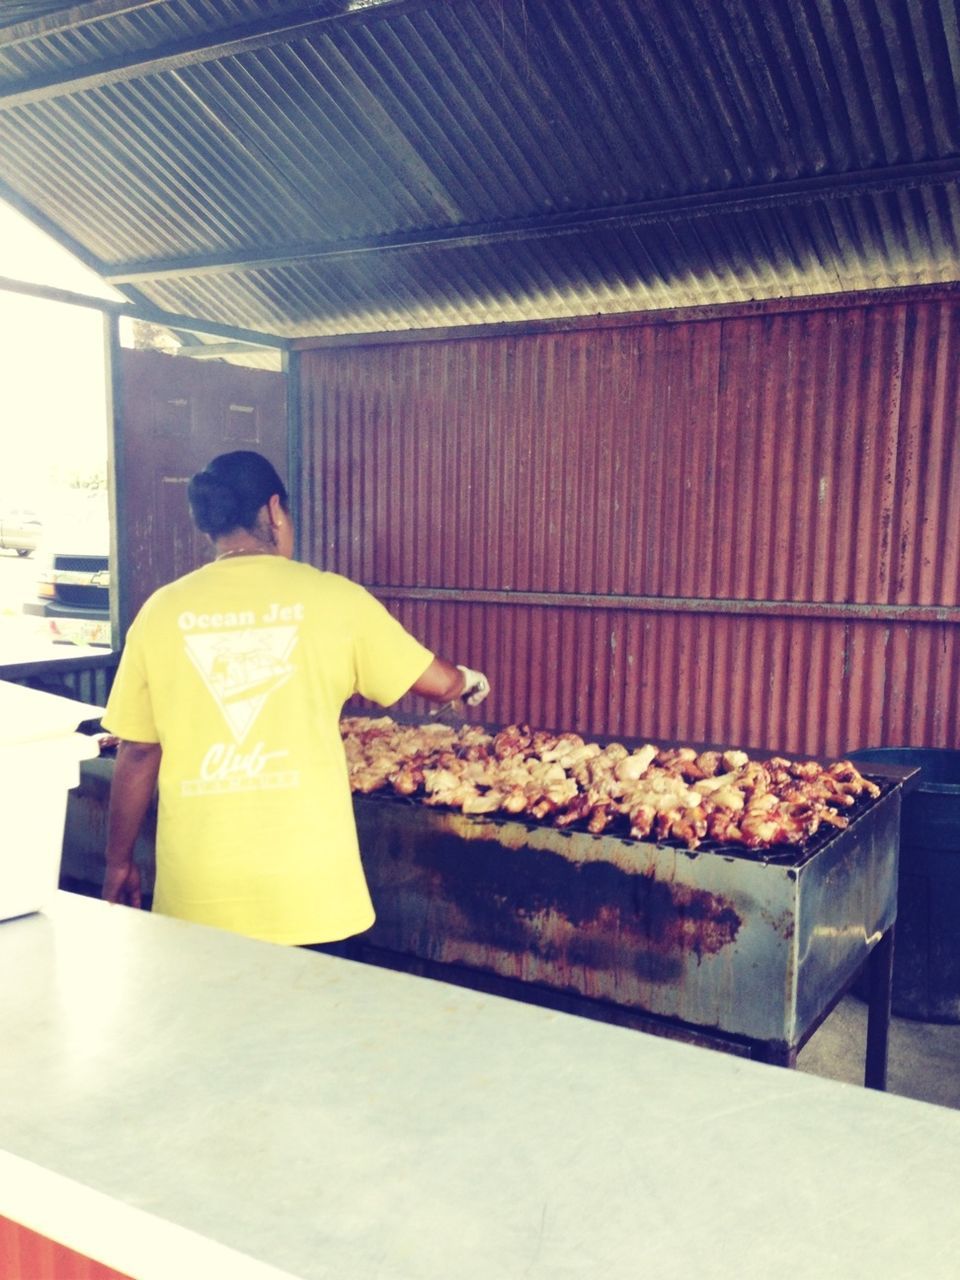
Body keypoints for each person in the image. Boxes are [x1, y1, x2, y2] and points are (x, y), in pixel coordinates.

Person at [101, 449, 490, 946]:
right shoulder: (334, 598)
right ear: (275, 511)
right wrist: (469, 681)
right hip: (313, 895)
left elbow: (136, 751)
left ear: (211, 527)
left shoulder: (161, 611)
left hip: (199, 896)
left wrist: (118, 862)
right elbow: (437, 682)